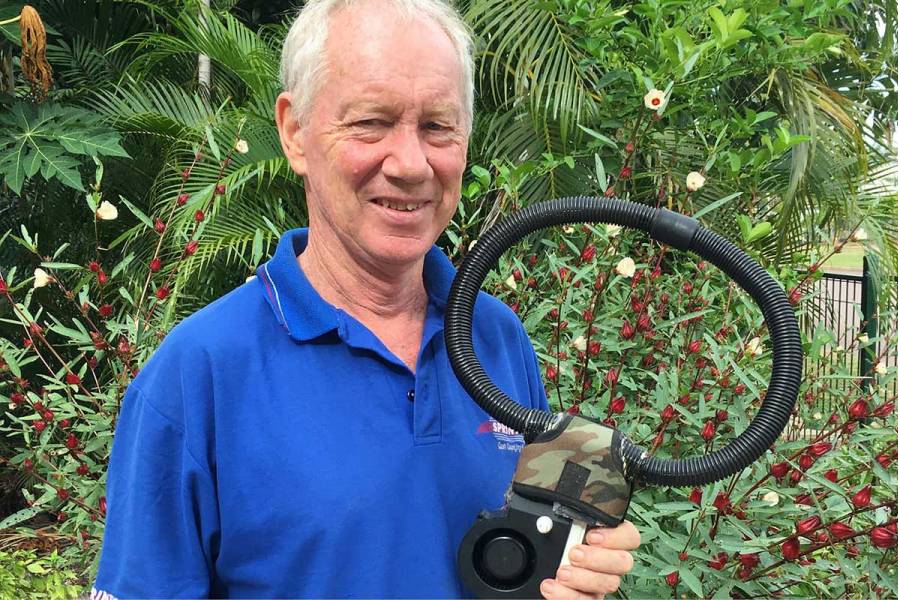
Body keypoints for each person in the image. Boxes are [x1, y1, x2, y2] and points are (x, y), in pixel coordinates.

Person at [91, 0, 640, 598]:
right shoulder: (199, 373)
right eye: (370, 122)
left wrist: (570, 573)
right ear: (295, 132)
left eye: (437, 126)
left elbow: (523, 561)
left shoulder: (495, 336)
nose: (410, 164)